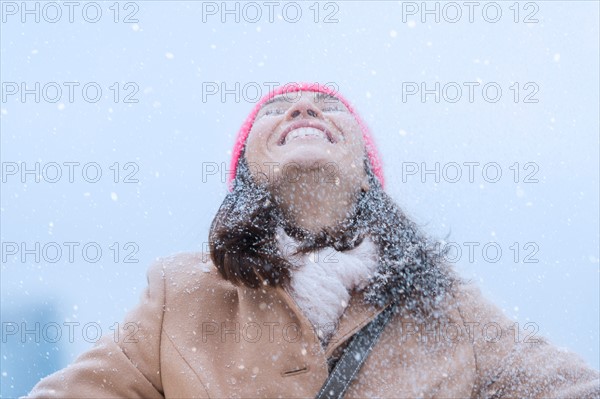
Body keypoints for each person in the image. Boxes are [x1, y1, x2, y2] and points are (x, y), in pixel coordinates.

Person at [26, 83, 599, 398]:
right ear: (245, 175)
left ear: (368, 172)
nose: (303, 107)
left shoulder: (447, 308)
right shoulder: (180, 293)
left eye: (330, 109)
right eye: (275, 110)